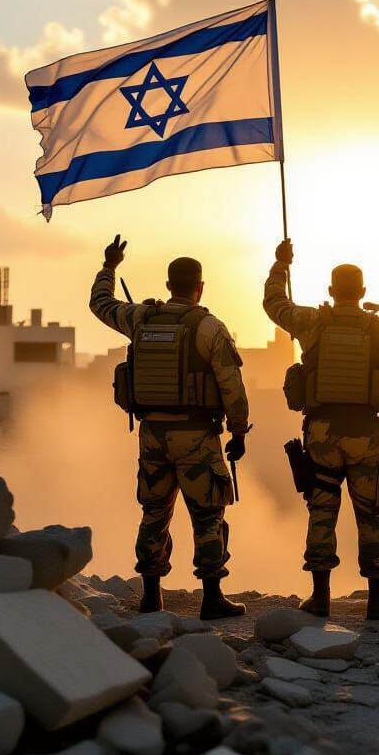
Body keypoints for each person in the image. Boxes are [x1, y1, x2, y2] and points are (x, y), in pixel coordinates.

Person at [90, 235, 250, 619]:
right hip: (196, 435)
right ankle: (211, 598)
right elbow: (232, 386)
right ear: (200, 287)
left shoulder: (141, 318)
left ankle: (151, 596)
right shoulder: (209, 327)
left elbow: (101, 304)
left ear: (167, 286)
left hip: (153, 435)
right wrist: (239, 432)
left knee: (154, 512)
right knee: (208, 514)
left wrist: (110, 266)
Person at [264, 239, 379, 620]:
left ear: (331, 292)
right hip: (365, 433)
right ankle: (377, 600)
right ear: (363, 292)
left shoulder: (313, 322)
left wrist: (280, 265)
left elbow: (273, 304)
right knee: (371, 515)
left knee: (322, 512)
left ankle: (320, 599)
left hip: (322, 434)